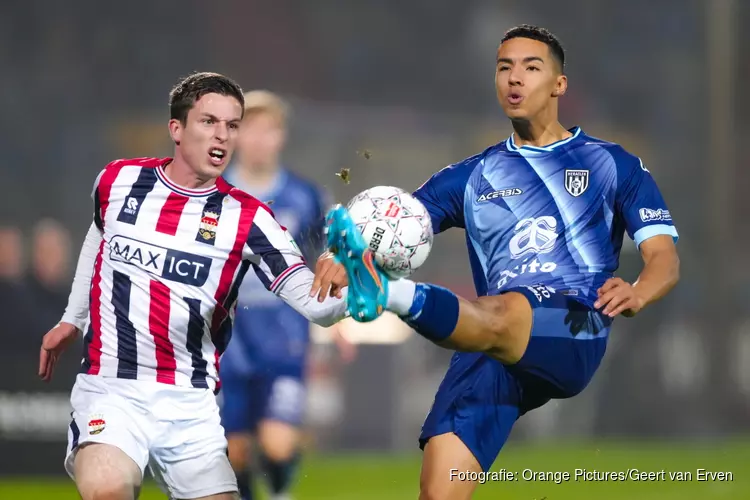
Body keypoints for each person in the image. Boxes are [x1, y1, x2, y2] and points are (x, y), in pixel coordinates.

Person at [316, 25, 680, 500]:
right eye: (505, 67)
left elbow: (664, 259)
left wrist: (638, 290)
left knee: (502, 310)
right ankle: (381, 289)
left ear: (559, 84)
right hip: (486, 341)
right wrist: (342, 254)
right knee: (439, 493)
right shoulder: (469, 177)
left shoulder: (612, 165)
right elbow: (393, 224)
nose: (515, 78)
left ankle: (386, 294)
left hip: (572, 323)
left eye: (531, 67)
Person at [38, 72, 349, 500]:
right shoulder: (118, 180)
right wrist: (72, 318)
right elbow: (99, 234)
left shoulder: (250, 218)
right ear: (177, 129)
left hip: (190, 405)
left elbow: (318, 308)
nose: (222, 136)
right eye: (209, 122)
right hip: (112, 390)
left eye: (232, 125)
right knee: (108, 491)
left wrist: (359, 283)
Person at [219, 90, 355, 500]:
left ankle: (281, 492)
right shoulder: (214, 192)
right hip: (226, 332)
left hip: (285, 328)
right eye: (251, 129)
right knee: (233, 450)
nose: (259, 138)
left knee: (278, 444)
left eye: (269, 129)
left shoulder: (305, 195)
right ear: (237, 136)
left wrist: (336, 325)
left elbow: (329, 254)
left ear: (281, 137)